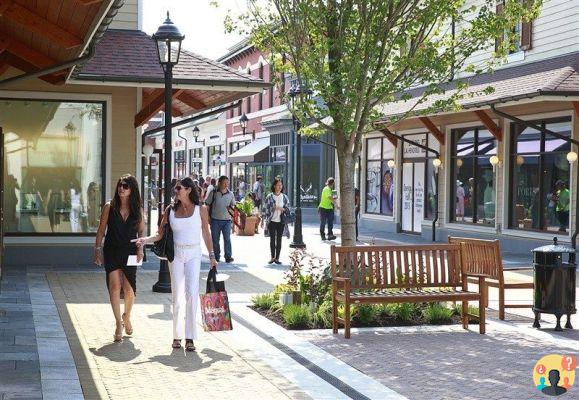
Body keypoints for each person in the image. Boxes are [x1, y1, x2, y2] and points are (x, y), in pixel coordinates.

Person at [133, 177, 217, 352]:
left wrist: (212, 255)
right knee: (177, 295)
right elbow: (160, 234)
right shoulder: (170, 210)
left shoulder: (201, 209)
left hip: (194, 253)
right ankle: (177, 336)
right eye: (176, 188)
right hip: (176, 254)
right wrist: (144, 240)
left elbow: (206, 234)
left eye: (179, 188)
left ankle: (190, 338)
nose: (176, 191)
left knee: (192, 293)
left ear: (188, 190)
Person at [94, 174, 144, 342]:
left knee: (129, 290)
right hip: (112, 250)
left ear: (132, 190)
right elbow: (101, 230)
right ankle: (117, 324)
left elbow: (142, 231)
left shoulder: (137, 208)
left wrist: (140, 249)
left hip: (130, 251)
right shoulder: (110, 206)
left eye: (125, 186)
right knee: (115, 287)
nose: (121, 188)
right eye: (119, 185)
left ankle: (126, 317)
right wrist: (97, 249)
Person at [205, 176, 236, 263]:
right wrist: (207, 217)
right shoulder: (213, 192)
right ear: (219, 183)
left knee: (227, 239)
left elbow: (233, 206)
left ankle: (228, 256)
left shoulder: (231, 194)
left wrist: (234, 220)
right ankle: (216, 256)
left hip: (227, 220)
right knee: (215, 239)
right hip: (215, 220)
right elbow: (207, 204)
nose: (226, 185)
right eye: (224, 182)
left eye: (227, 183)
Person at [263, 178, 290, 264]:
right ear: (274, 186)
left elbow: (287, 209)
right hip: (272, 221)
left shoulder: (284, 197)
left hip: (281, 221)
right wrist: (274, 208)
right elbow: (265, 208)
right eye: (278, 185)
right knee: (272, 239)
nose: (279, 187)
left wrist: (282, 209)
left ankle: (277, 258)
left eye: (281, 185)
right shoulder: (270, 196)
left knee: (279, 240)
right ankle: (272, 257)